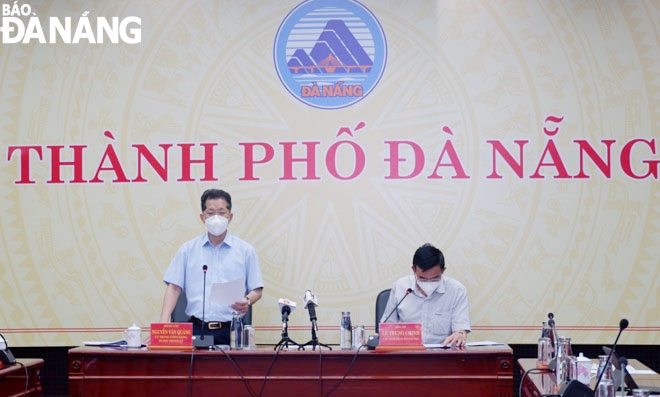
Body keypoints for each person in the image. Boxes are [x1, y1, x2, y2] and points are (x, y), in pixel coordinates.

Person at [159, 188, 264, 345]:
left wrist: (247, 301)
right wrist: (162, 326)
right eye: (210, 212)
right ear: (202, 217)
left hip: (232, 331)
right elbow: (174, 288)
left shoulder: (245, 251)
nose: (216, 218)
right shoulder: (187, 250)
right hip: (196, 328)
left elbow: (257, 289)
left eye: (221, 212)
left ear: (230, 216)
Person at [379, 243, 470, 347]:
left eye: (435, 278)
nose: (428, 283)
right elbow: (388, 326)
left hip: (443, 355)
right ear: (413, 269)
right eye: (422, 279)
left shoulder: (457, 290)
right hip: (407, 354)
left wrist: (460, 334)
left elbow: (460, 329)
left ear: (443, 270)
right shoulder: (401, 287)